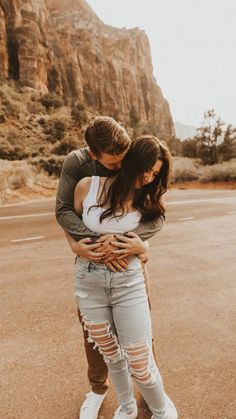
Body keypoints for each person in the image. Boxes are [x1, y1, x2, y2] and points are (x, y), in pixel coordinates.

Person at [56, 117, 164, 418]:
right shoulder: (77, 164)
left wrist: (139, 244)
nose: (122, 167)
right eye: (114, 163)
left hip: (128, 263)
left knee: (140, 333)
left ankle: (149, 390)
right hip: (91, 264)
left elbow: (156, 214)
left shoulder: (131, 156)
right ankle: (98, 389)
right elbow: (64, 209)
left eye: (124, 159)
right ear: (93, 155)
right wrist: (82, 243)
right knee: (96, 335)